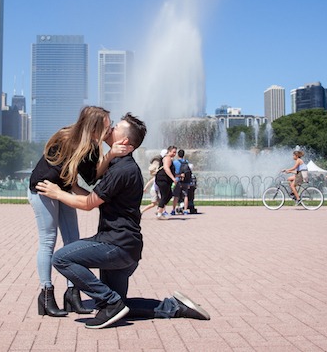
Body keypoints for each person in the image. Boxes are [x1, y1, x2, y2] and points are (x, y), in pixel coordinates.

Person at [37, 113, 210, 329]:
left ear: (124, 141)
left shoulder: (122, 170)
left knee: (61, 258)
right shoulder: (118, 165)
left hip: (115, 245)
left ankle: (110, 302)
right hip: (126, 246)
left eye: (116, 126)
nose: (110, 128)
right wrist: (70, 183)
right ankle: (174, 307)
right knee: (121, 305)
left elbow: (90, 203)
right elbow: (92, 192)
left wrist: (57, 193)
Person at [28, 106, 132, 317]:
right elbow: (55, 170)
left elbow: (92, 177)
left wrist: (110, 155)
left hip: (63, 189)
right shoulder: (66, 137)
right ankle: (46, 295)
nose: (110, 128)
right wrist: (68, 191)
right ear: (94, 126)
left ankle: (72, 295)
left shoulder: (93, 147)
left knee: (72, 241)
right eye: (107, 124)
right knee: (48, 240)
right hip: (43, 188)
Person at [155, 146, 178, 219]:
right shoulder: (167, 158)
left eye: (175, 152)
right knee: (165, 195)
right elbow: (166, 168)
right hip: (163, 179)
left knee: (169, 195)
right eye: (173, 152)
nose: (174, 154)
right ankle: (159, 213)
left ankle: (160, 209)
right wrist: (173, 178)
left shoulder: (168, 158)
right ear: (169, 151)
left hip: (164, 179)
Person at [171, 149, 192, 215]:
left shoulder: (175, 162)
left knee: (176, 196)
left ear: (178, 154)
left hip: (178, 180)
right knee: (185, 196)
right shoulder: (186, 161)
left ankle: (173, 210)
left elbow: (173, 171)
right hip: (186, 180)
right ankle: (185, 210)